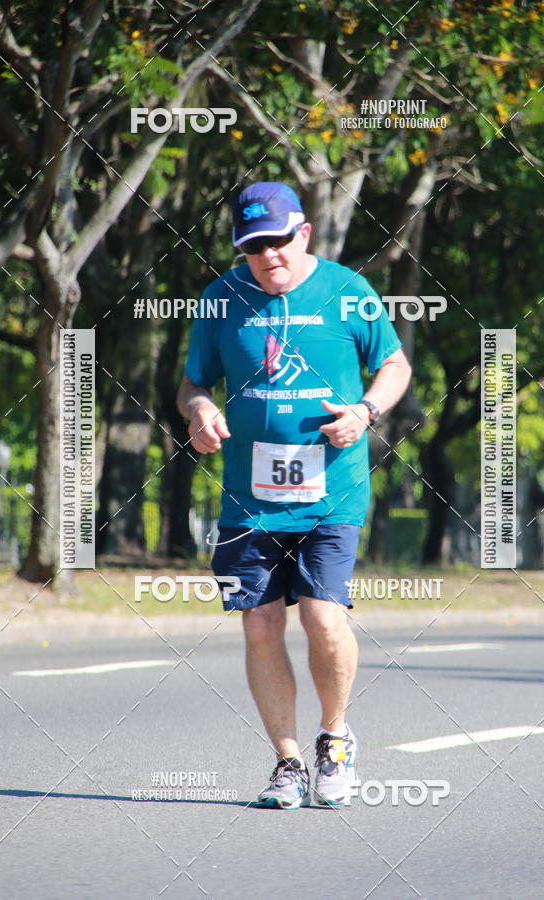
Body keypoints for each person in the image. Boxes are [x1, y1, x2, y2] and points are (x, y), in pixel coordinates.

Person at [177, 181, 411, 809]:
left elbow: (394, 365)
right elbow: (194, 382)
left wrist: (365, 411)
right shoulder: (220, 300)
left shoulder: (347, 291)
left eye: (279, 240)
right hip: (247, 500)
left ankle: (334, 738)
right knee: (259, 622)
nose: (269, 255)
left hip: (332, 490)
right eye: (254, 246)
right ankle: (287, 763)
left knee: (321, 615)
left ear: (303, 233)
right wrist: (199, 411)